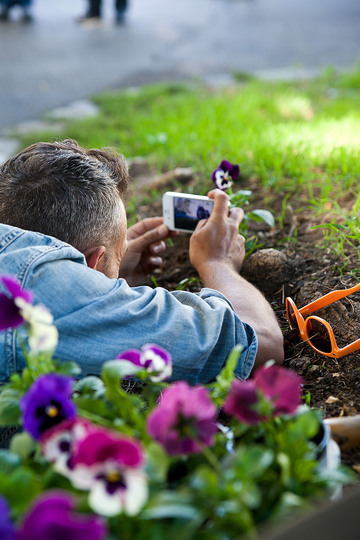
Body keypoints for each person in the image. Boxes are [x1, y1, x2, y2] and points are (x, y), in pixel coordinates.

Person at [0, 139, 284, 387]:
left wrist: (112, 270)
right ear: (92, 262)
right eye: (118, 253)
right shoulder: (48, 292)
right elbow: (261, 341)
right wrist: (217, 262)